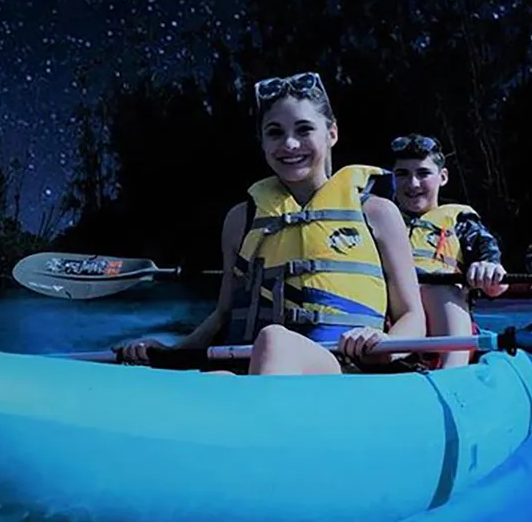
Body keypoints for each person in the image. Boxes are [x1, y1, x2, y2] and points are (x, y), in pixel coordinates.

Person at [115, 71, 426, 375]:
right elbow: (224, 314)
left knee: (275, 341)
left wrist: (387, 343)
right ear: (262, 141)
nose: (289, 144)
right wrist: (169, 352)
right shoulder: (241, 219)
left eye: (304, 130)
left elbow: (413, 317)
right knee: (218, 379)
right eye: (275, 132)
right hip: (255, 368)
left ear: (332, 133)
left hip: (344, 368)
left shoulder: (377, 212)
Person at [391, 134, 508, 369]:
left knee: (440, 288)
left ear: (442, 177)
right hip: (395, 316)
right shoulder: (377, 217)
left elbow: (493, 271)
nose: (412, 184)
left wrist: (488, 268)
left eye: (423, 173)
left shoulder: (461, 221)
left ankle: (452, 373)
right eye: (402, 174)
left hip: (442, 316)